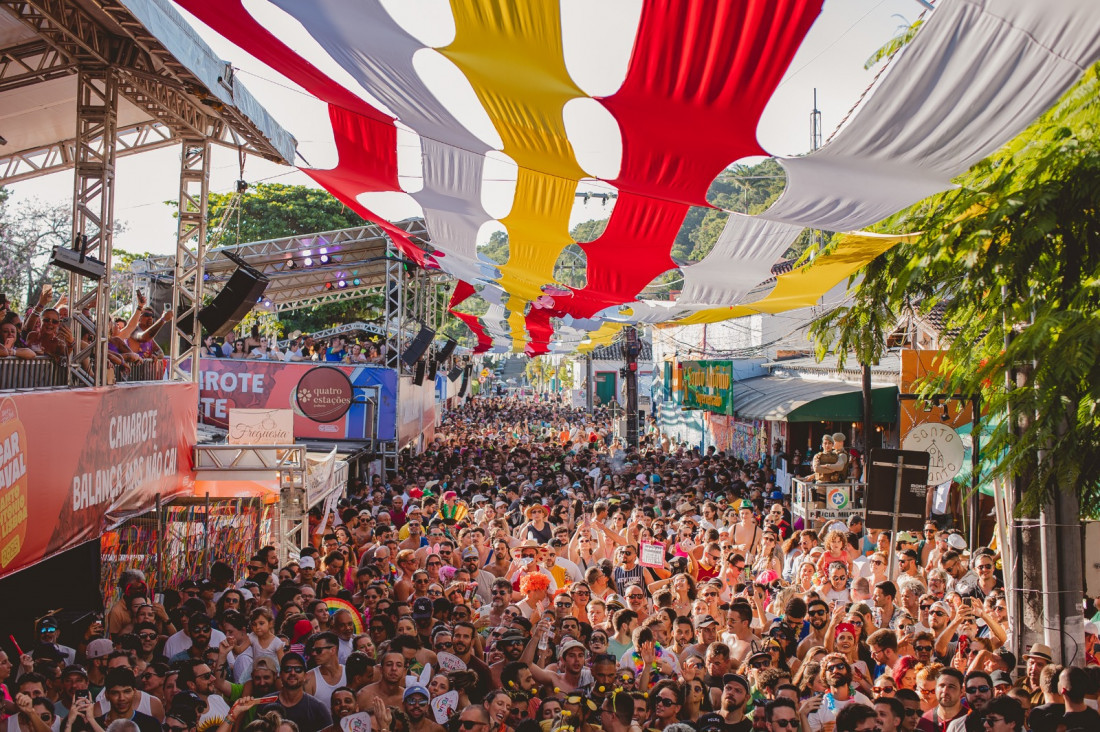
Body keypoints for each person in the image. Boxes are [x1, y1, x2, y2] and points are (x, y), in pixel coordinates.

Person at [259, 653, 331, 731]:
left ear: (305, 676)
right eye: (287, 669)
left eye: (298, 669)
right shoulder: (265, 703)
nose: (292, 673)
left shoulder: (318, 708)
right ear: (280, 675)